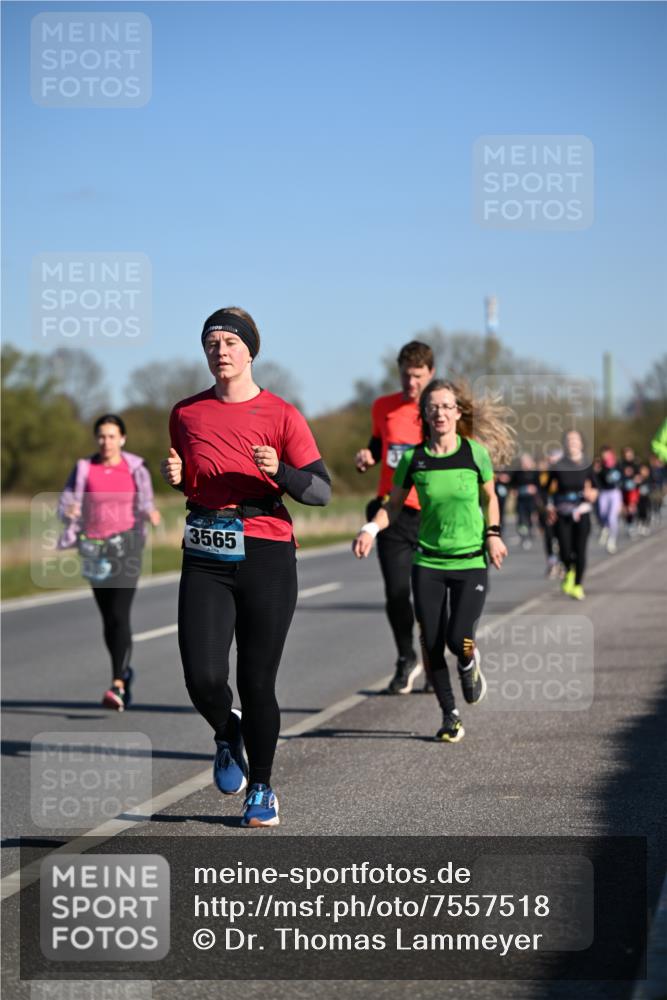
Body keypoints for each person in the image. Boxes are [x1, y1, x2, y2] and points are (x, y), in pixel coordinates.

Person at [161, 306, 331, 828]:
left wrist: (278, 470)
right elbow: (197, 481)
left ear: (250, 351)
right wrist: (178, 479)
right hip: (206, 550)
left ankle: (261, 787)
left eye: (230, 342)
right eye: (211, 342)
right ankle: (226, 729)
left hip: (266, 551)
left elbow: (321, 491)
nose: (220, 350)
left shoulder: (281, 414)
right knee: (203, 677)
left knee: (257, 681)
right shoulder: (185, 413)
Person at [353, 379, 513, 743]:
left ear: (458, 413)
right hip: (428, 563)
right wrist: (369, 530)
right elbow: (393, 506)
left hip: (470, 560)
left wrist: (494, 534)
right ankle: (449, 715)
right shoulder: (414, 459)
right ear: (423, 414)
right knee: (432, 641)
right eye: (433, 407)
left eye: (446, 406)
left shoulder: (475, 454)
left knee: (460, 639)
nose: (439, 412)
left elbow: (490, 497)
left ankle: (470, 663)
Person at [57, 414, 161, 709]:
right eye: (101, 436)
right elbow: (65, 502)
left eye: (112, 436)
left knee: (119, 614)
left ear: (122, 439)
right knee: (108, 619)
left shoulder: (135, 467)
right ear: (96, 439)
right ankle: (125, 672)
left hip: (126, 546)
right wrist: (70, 512)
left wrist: (151, 514)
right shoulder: (83, 468)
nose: (106, 441)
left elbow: (147, 500)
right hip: (93, 548)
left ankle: (117, 683)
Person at [354, 341, 435, 694]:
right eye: (405, 375)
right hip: (393, 511)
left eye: (418, 377)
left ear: (431, 373)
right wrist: (368, 456)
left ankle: (436, 662)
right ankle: (407, 657)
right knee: (397, 593)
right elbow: (378, 444)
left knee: (432, 595)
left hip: (433, 513)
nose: (411, 383)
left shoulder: (442, 410)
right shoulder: (383, 407)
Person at [546, 431, 598, 601]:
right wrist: (549, 507)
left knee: (580, 550)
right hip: (562, 512)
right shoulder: (558, 465)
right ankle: (569, 571)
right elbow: (546, 489)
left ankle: (577, 585)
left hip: (581, 511)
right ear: (564, 443)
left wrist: (593, 494)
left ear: (581, 443)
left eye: (575, 439)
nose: (572, 443)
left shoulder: (587, 464)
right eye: (569, 440)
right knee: (565, 550)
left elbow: (596, 487)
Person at [596, 446, 623, 553]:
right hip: (604, 492)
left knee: (612, 517)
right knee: (603, 514)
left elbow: (623, 478)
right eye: (603, 454)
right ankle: (606, 528)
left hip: (615, 492)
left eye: (607, 453)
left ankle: (612, 541)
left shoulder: (617, 465)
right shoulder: (600, 466)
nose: (605, 456)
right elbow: (596, 479)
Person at [510, 453, 538, 550]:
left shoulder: (535, 473)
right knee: (521, 517)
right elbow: (512, 484)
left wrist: (534, 489)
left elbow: (539, 486)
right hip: (521, 499)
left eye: (526, 462)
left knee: (530, 517)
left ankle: (529, 533)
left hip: (531, 500)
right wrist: (515, 490)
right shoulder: (517, 473)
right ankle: (523, 536)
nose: (524, 464)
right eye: (523, 462)